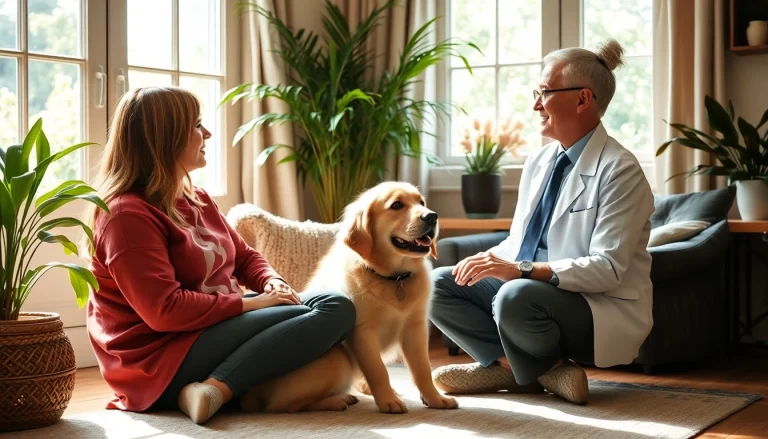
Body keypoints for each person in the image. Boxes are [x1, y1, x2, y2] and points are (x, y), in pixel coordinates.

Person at [84, 86, 356, 424]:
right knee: (333, 308)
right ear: (164, 138)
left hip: (211, 329)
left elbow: (243, 257)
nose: (207, 133)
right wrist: (252, 304)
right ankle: (217, 389)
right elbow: (164, 312)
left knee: (329, 303)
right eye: (197, 125)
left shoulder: (194, 196)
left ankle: (242, 392)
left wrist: (270, 282)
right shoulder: (125, 216)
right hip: (158, 361)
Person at [429, 39, 654, 405]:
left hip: (594, 306)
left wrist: (519, 269)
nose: (535, 104)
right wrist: (488, 261)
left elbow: (607, 269)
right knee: (437, 283)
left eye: (544, 93)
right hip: (534, 292)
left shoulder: (621, 170)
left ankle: (516, 371)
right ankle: (537, 372)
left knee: (515, 295)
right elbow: (520, 242)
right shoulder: (539, 162)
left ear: (582, 100)